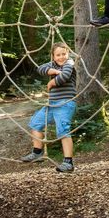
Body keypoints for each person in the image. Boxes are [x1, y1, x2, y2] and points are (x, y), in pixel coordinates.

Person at [19, 42, 77, 173]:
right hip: (52, 104)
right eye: (58, 55)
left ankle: (68, 162)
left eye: (64, 54)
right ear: (53, 56)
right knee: (35, 124)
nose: (61, 57)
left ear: (68, 54)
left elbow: (65, 76)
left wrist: (52, 82)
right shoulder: (53, 64)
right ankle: (37, 152)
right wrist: (54, 71)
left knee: (63, 130)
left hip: (65, 103)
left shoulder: (70, 63)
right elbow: (40, 69)